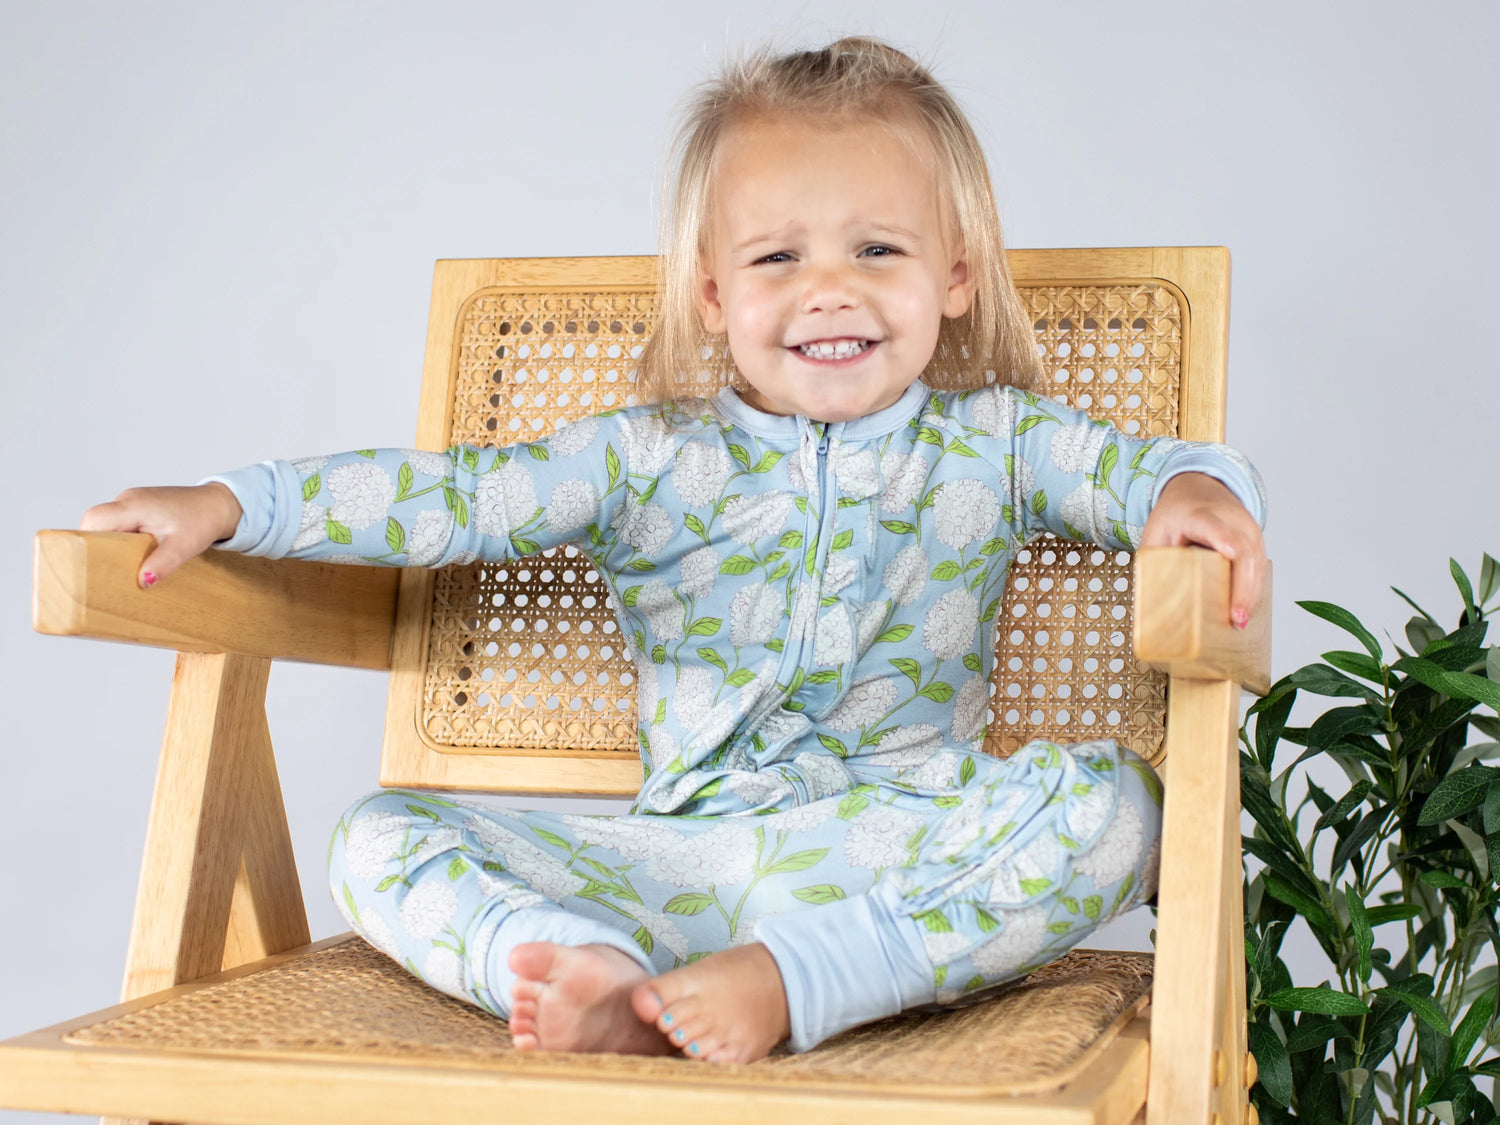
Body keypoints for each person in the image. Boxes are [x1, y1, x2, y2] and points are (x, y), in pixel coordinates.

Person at [80, 37, 1267, 1064]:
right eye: (776, 258)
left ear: (954, 275)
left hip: (895, 859)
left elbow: (1144, 467)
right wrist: (241, 503)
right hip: (671, 869)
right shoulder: (643, 455)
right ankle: (588, 977)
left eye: (877, 251)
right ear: (710, 292)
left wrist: (1197, 491)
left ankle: (801, 982)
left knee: (1125, 807)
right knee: (378, 835)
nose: (828, 292)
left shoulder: (1000, 440)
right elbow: (458, 498)